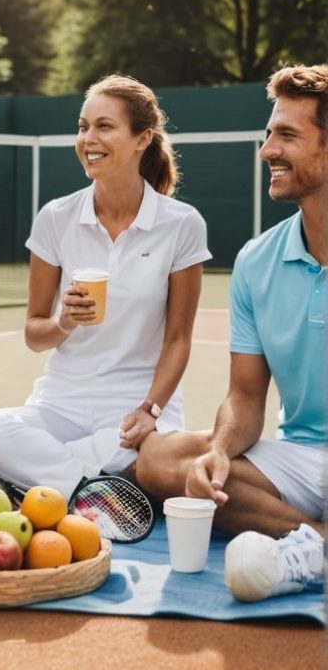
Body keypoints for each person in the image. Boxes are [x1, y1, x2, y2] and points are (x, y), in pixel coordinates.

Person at [136, 64, 327, 602]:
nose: (267, 150)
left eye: (287, 135)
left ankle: (298, 545)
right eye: (269, 135)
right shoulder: (256, 261)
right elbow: (245, 395)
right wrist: (220, 451)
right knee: (161, 459)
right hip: (302, 459)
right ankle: (316, 542)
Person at [0, 74, 212, 502]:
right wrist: (63, 322)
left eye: (104, 126)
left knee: (157, 456)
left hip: (136, 408)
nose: (89, 138)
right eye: (83, 126)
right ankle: (91, 490)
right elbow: (33, 333)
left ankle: (50, 480)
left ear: (142, 138)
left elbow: (178, 339)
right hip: (61, 403)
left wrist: (150, 411)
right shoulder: (55, 218)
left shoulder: (182, 224)